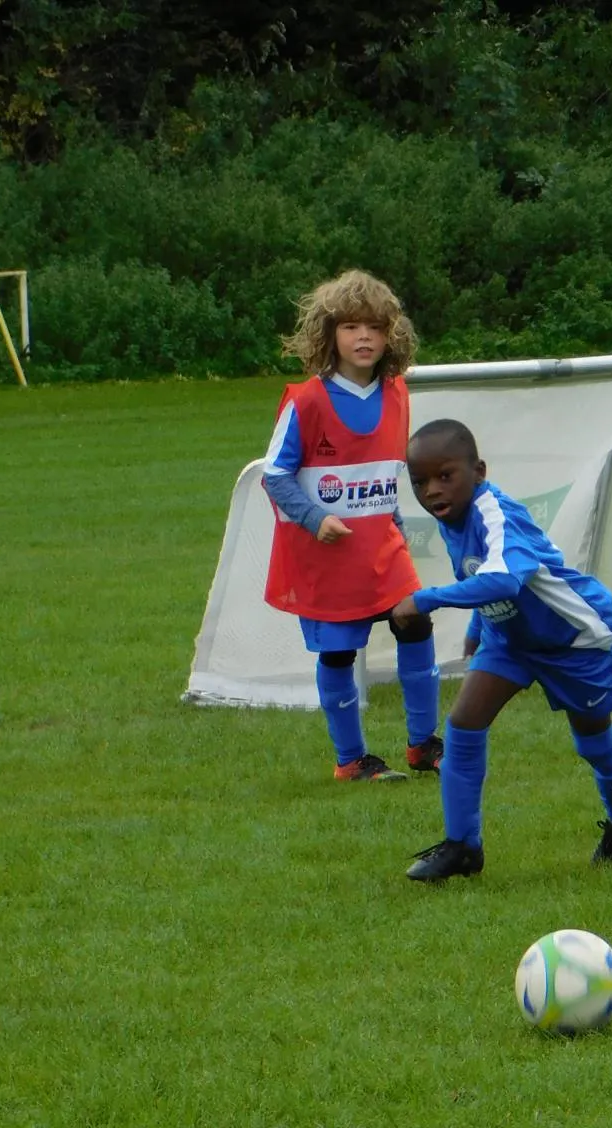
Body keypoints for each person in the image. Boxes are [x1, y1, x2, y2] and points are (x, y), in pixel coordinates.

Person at [393, 420, 612, 882]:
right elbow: (483, 572)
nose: (432, 490)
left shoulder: (496, 513)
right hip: (510, 639)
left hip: (575, 639)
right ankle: (462, 847)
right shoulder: (453, 516)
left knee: (593, 742)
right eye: (420, 481)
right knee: (463, 724)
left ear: (478, 471)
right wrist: (479, 624)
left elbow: (503, 579)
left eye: (445, 476)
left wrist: (425, 599)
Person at [262, 270, 442, 782]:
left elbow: (385, 474)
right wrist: (315, 518)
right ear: (329, 334)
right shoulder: (307, 400)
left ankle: (423, 745)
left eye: (375, 327)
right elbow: (275, 475)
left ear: (392, 335)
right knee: (340, 651)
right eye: (350, 327)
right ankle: (351, 760)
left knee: (415, 621)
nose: (364, 337)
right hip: (327, 557)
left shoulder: (397, 392)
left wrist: (395, 525)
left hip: (383, 548)